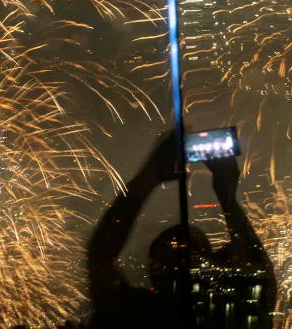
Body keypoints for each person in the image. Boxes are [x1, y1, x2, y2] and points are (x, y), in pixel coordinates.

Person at [87, 131, 275, 328]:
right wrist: (227, 199)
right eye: (175, 256)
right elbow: (257, 267)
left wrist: (148, 177)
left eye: (187, 253)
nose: (181, 261)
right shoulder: (235, 312)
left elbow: (100, 257)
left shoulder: (142, 314)